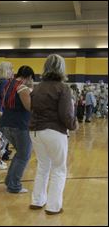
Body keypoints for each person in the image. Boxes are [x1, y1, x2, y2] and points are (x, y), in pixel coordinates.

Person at [29, 54, 78, 215]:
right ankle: (53, 206)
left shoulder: (37, 87)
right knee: (59, 168)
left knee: (43, 166)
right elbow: (66, 114)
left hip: (35, 131)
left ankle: (37, 201)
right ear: (61, 68)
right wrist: (73, 125)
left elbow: (32, 108)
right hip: (54, 132)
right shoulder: (63, 88)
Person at [0, 65, 34, 193]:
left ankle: (10, 181)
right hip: (19, 125)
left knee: (20, 153)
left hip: (6, 124)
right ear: (29, 77)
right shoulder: (23, 88)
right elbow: (29, 107)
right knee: (24, 155)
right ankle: (14, 185)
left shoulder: (9, 84)